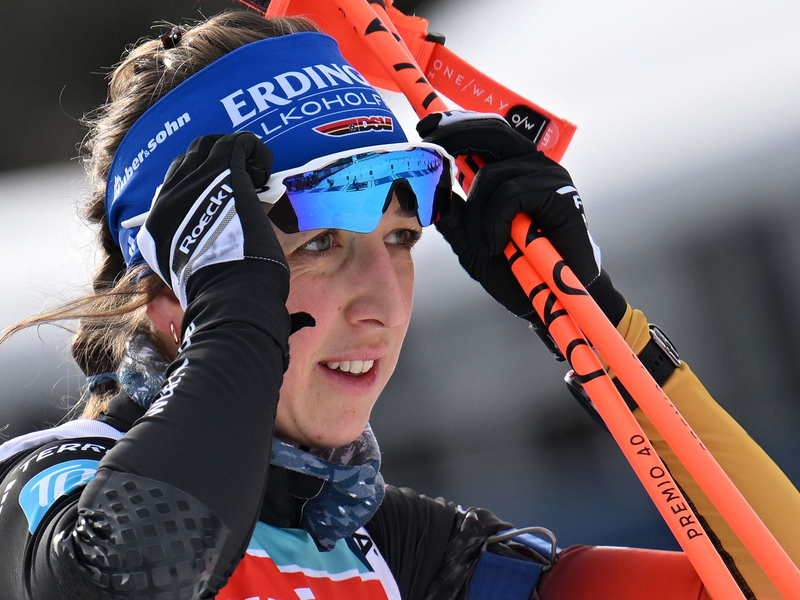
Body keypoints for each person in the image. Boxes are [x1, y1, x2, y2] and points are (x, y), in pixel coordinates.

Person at [0, 10, 798, 600]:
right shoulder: (41, 490)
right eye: (319, 244)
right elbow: (129, 576)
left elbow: (777, 579)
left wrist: (600, 324)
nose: (381, 300)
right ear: (172, 298)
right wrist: (240, 320)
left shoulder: (406, 557)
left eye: (401, 240)